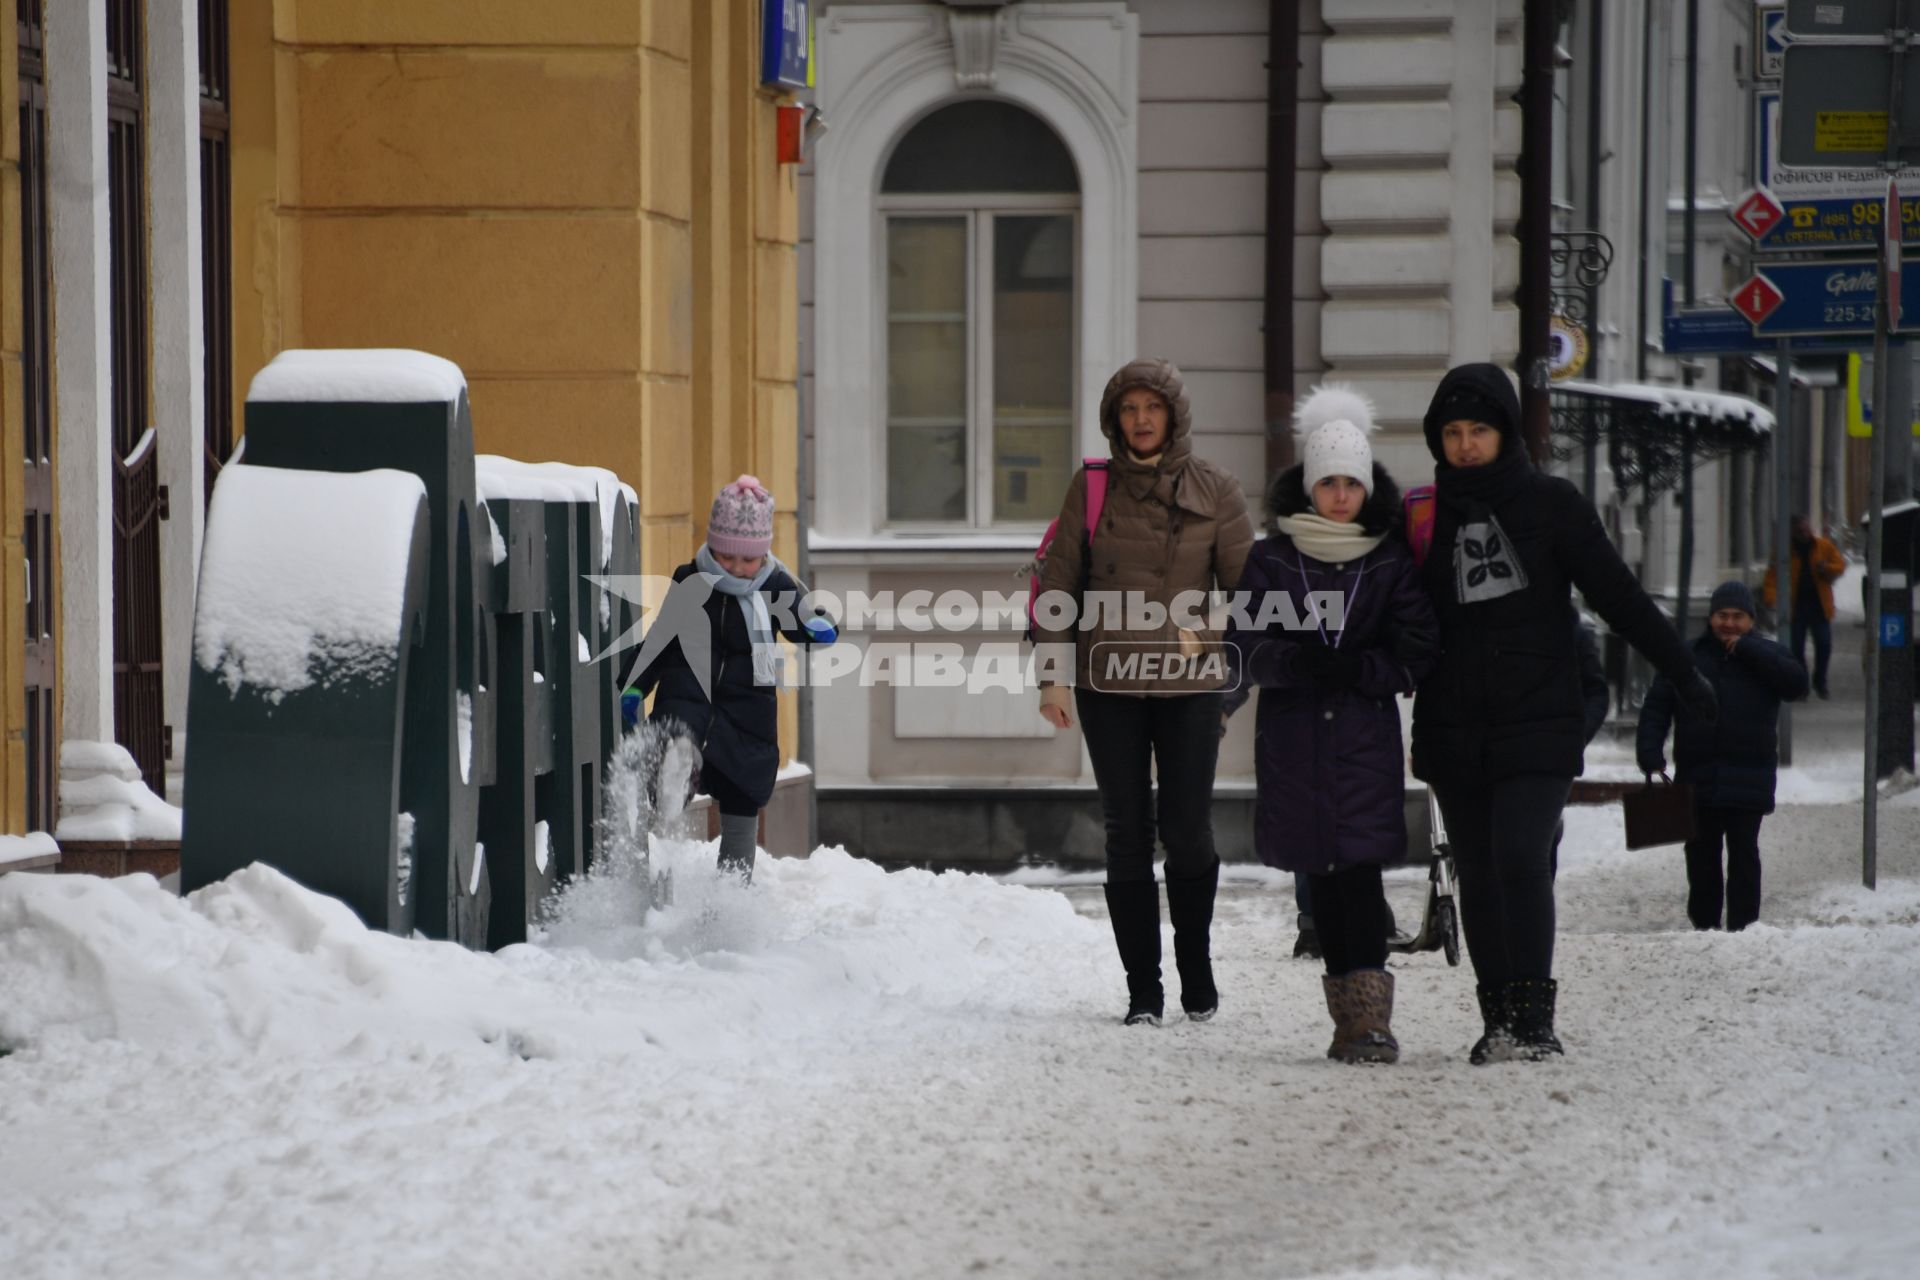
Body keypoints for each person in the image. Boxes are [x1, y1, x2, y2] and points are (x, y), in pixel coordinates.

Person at [1409, 363, 1717, 1064]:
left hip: (1540, 717)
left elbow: (1620, 595)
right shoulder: (1425, 517)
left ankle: (1535, 1013)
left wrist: (1681, 669)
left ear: (1506, 432)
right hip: (1455, 725)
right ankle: (1497, 1020)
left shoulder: (1551, 504)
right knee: (1480, 869)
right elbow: (1389, 603)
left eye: (1478, 430)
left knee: (1521, 853)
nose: (1464, 445)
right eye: (1452, 432)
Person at [1035, 358, 1254, 1027]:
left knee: (1187, 833)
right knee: (1127, 834)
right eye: (1128, 409)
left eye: (1151, 408)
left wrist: (1228, 686)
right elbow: (1058, 586)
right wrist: (1053, 676)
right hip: (1109, 684)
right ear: (1115, 418)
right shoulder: (1092, 488)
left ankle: (1196, 967)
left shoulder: (1216, 489)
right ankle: (1143, 990)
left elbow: (1251, 600)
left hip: (1191, 688)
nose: (1140, 420)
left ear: (1174, 414)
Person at [1224, 385, 1437, 1063]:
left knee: (1361, 873)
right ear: (1308, 488)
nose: (1340, 496)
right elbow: (1243, 648)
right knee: (1320, 870)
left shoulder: (1388, 558)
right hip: (1294, 742)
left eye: (1351, 483)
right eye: (1328, 483)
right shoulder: (1271, 560)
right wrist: (1298, 662)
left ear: (1367, 486)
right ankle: (1345, 1015)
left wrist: (1361, 671)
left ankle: (1370, 1020)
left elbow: (1416, 649)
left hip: (1362, 740)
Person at [635, 476, 837, 882]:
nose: (737, 568)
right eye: (726, 557)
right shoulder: (691, 579)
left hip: (748, 714)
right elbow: (662, 634)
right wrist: (636, 682)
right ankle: (675, 775)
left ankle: (731, 898)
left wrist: (819, 626)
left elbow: (805, 622)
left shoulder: (776, 586)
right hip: (690, 690)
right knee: (677, 741)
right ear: (712, 545)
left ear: (763, 555)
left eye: (748, 559)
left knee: (742, 805)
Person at [1637, 580, 1808, 931]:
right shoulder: (1687, 657)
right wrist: (1649, 751)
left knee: (1744, 854)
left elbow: (1796, 685)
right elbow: (1657, 705)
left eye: (1738, 617)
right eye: (1722, 615)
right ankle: (1704, 926)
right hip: (1698, 776)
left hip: (1750, 776)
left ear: (1751, 620)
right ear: (1711, 617)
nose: (1729, 623)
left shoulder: (1768, 655)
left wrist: (1747, 651)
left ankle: (1744, 926)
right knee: (1700, 856)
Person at [1761, 514, 1847, 699]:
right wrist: (1772, 598)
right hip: (1796, 608)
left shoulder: (1822, 546)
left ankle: (1820, 681)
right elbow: (1771, 577)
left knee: (1824, 645)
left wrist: (1827, 569)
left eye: (1807, 529)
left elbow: (1840, 564)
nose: (1804, 533)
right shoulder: (1784, 552)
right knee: (1796, 649)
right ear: (1793, 532)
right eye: (1800, 530)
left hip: (1819, 606)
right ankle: (1802, 685)